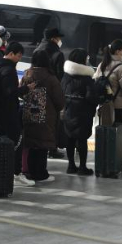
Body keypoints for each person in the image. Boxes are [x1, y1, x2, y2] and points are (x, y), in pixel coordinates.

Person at [0, 42, 36, 187]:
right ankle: (16, 173)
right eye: (19, 55)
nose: (19, 59)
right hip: (8, 112)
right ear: (11, 54)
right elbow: (10, 93)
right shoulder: (9, 70)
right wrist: (26, 88)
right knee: (17, 140)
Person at [20, 50, 65, 182]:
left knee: (31, 143)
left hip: (28, 113)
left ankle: (30, 172)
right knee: (42, 145)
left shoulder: (27, 74)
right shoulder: (51, 78)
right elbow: (59, 100)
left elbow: (20, 91)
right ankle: (41, 174)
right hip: (46, 115)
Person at [61, 49, 100, 175]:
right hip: (83, 114)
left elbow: (61, 92)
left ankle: (71, 166)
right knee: (82, 140)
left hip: (68, 111)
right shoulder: (87, 79)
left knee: (70, 139)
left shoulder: (66, 76)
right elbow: (91, 97)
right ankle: (83, 167)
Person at [35, 28, 67, 159]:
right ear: (54, 39)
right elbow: (60, 76)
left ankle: (39, 146)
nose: (60, 41)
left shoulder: (37, 50)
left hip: (37, 90)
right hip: (52, 91)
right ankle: (52, 149)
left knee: (39, 120)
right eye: (59, 38)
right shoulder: (58, 54)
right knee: (53, 121)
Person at [94, 39, 122, 126]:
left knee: (105, 129)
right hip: (119, 107)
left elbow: (96, 80)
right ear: (118, 52)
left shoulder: (102, 64)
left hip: (104, 104)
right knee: (117, 132)